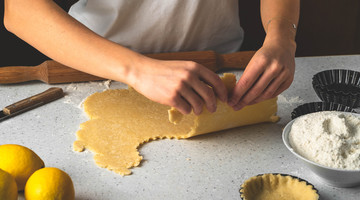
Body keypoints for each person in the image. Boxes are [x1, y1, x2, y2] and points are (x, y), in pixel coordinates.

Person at [4, 0, 299, 115]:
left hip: (222, 77)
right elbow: (20, 10)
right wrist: (138, 70)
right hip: (97, 73)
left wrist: (282, 35)